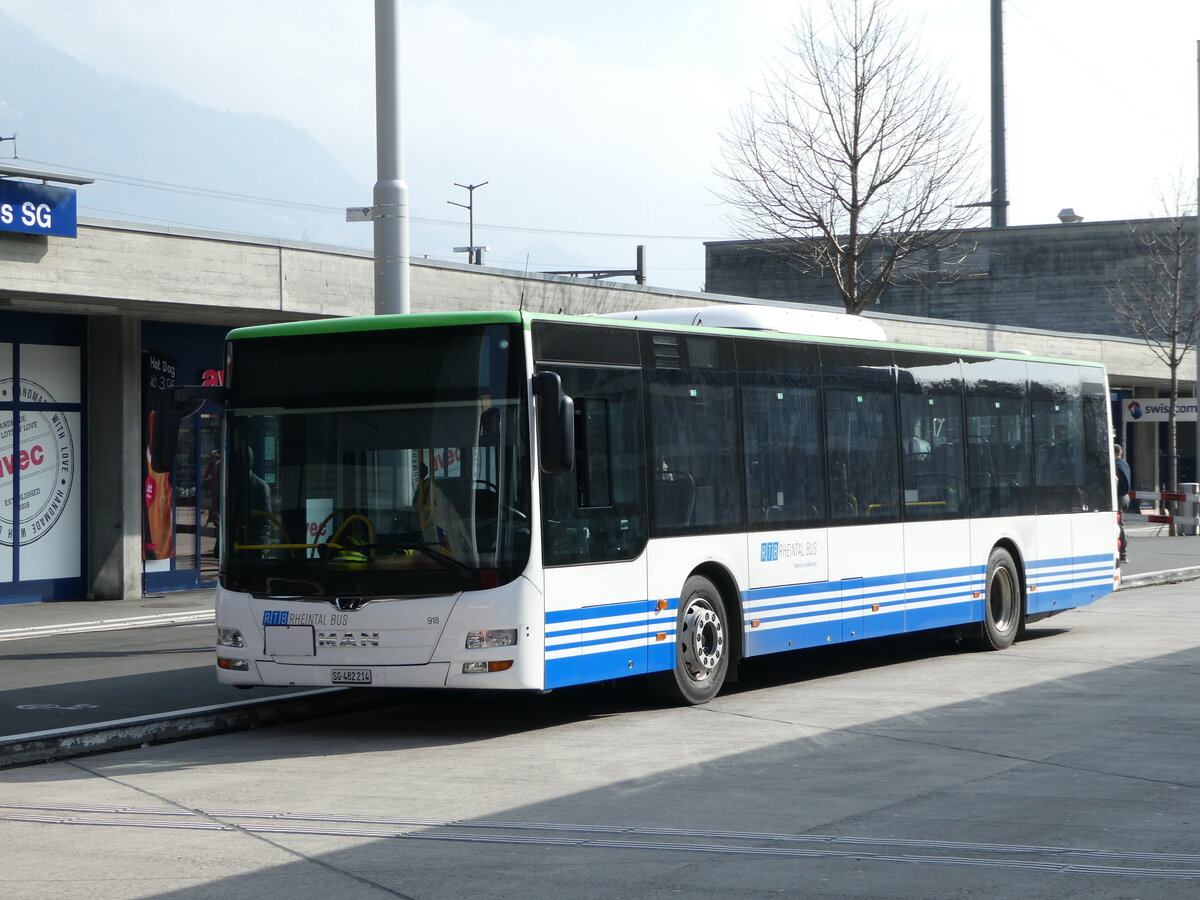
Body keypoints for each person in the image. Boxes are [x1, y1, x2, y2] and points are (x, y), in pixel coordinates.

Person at [1114, 443, 1131, 562]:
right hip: (1126, 496)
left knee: (1119, 525)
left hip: (1118, 497)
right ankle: (1122, 552)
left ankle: (1123, 553)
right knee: (1120, 523)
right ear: (1121, 453)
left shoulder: (1114, 466)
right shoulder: (1124, 464)